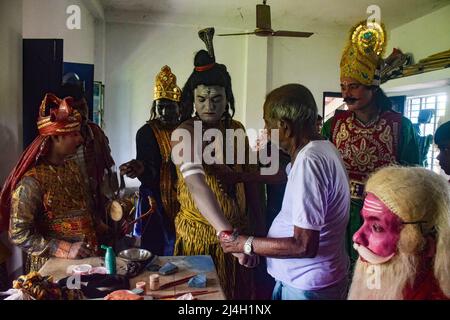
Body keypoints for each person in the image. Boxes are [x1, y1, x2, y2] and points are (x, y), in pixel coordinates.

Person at [221, 84, 351, 300]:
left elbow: (304, 245)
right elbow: (282, 176)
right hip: (312, 279)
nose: (265, 130)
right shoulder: (322, 147)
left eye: (267, 123)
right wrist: (238, 177)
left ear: (285, 127)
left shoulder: (309, 161)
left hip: (307, 285)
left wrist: (245, 244)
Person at [321, 20, 420, 262]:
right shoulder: (333, 125)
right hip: (338, 214)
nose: (346, 93)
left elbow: (413, 176)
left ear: (373, 87)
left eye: (354, 86)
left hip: (382, 218)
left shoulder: (400, 126)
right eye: (343, 86)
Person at [171, 40, 262, 299]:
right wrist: (228, 237)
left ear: (227, 99)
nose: (209, 105)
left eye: (216, 99)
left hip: (241, 236)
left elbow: (251, 181)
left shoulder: (237, 130)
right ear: (193, 100)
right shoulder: (184, 133)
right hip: (202, 239)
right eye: (201, 99)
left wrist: (259, 227)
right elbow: (195, 183)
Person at [0, 94, 102, 273]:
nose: (80, 140)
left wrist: (101, 225)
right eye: (74, 134)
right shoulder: (31, 182)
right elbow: (18, 233)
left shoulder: (73, 168)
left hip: (85, 261)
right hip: (52, 267)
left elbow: (83, 208)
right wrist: (64, 248)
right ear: (56, 138)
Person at [349, 166, 449, 299]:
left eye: (377, 227)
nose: (356, 237)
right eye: (363, 220)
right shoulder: (378, 278)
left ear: (427, 246)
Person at [120, 65, 182, 256]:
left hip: (184, 198)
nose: (164, 112)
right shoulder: (146, 132)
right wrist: (140, 168)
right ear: (153, 107)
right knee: (154, 248)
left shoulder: (186, 130)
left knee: (182, 248)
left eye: (169, 107)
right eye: (160, 107)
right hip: (154, 199)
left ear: (178, 107)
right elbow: (148, 168)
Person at [57, 74, 116, 226]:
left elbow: (108, 168)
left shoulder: (95, 132)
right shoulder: (56, 141)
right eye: (75, 110)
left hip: (97, 207)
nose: (82, 115)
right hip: (68, 217)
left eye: (84, 107)